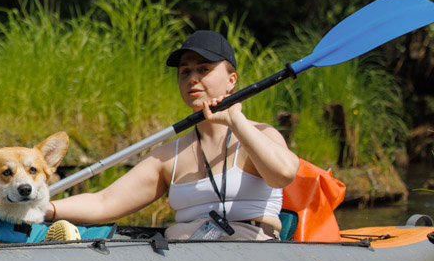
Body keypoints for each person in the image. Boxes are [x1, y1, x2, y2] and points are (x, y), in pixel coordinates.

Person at [49, 30, 299, 240]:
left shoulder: (261, 134)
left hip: (250, 250)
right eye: (185, 72)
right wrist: (44, 208)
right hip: (185, 256)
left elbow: (283, 174)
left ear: (231, 80)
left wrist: (235, 119)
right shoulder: (169, 155)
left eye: (204, 69)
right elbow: (104, 202)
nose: (192, 79)